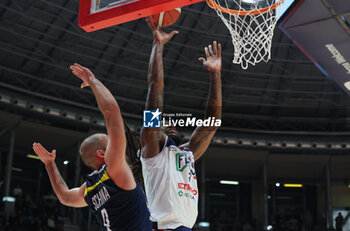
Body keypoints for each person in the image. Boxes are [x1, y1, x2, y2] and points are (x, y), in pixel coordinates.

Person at [33, 63, 152, 231]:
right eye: (108, 140)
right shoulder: (114, 169)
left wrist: (50, 165)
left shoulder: (91, 188)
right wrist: (93, 81)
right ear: (101, 153)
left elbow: (65, 197)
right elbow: (112, 112)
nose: (114, 140)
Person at [140, 18, 222, 231]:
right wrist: (157, 46)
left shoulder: (185, 154)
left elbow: (211, 125)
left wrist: (215, 75)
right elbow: (154, 90)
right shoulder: (152, 150)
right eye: (165, 123)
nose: (172, 125)